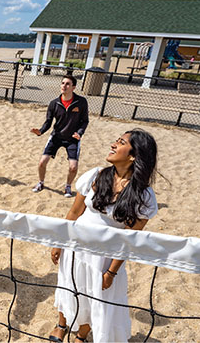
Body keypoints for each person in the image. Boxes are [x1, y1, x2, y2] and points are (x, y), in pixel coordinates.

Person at [49, 129, 159, 343]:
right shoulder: (96, 175)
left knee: (94, 297)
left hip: (103, 257)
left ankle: (82, 335)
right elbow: (73, 213)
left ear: (134, 155)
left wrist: (111, 272)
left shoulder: (143, 195)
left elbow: (130, 241)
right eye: (116, 140)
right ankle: (61, 324)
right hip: (75, 246)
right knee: (68, 286)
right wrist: (58, 243)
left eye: (121, 142)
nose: (113, 144)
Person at [30, 74, 89, 198]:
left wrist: (79, 133)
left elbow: (85, 121)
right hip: (56, 136)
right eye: (62, 83)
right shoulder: (54, 103)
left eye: (67, 84)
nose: (64, 86)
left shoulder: (81, 102)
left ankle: (68, 186)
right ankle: (41, 183)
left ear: (73, 87)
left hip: (73, 139)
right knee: (42, 162)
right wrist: (40, 131)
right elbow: (48, 122)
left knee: (73, 167)